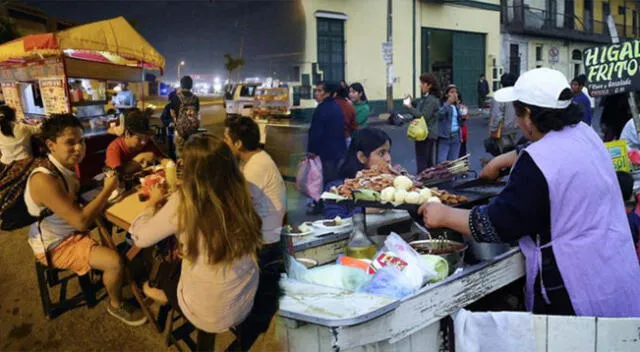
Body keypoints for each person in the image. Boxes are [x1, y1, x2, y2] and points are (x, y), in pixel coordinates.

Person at [419, 68, 640, 316]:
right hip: (613, 268)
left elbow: (497, 224)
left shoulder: (537, 164)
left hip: (573, 286)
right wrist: (503, 159)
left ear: (529, 115)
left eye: (518, 113)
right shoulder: (586, 134)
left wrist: (443, 214)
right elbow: (550, 146)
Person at [129, 133, 261, 338]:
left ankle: (161, 291)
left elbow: (140, 237)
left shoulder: (186, 200)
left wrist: (151, 205)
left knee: (156, 254)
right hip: (244, 299)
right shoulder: (245, 190)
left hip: (207, 312)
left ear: (192, 170)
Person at [25, 114, 147, 325]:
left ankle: (114, 271)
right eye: (70, 143)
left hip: (68, 230)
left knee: (116, 226)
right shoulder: (44, 179)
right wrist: (107, 188)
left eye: (81, 141)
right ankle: (116, 305)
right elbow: (81, 222)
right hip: (55, 244)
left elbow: (75, 193)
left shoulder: (62, 166)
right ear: (51, 145)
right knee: (115, 262)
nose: (79, 148)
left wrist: (100, 183)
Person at [223, 116, 285, 349]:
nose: (224, 141)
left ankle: (244, 338)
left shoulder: (255, 169)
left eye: (227, 138)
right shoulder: (257, 159)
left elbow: (236, 210)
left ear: (238, 144)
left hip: (266, 245)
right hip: (269, 235)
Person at [323, 127, 392, 219]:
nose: (388, 159)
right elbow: (334, 222)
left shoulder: (390, 183)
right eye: (381, 153)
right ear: (362, 157)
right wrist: (363, 210)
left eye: (388, 152)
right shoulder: (337, 188)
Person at [0, 105, 42, 223]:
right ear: (12, 116)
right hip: (25, 164)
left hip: (4, 164)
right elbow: (39, 129)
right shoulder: (22, 127)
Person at [105, 108, 169, 174]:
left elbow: (162, 158)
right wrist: (139, 158)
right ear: (127, 133)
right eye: (139, 138)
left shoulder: (147, 142)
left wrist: (169, 163)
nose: (143, 142)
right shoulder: (114, 148)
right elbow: (118, 174)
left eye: (146, 137)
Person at [307, 81, 346, 188]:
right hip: (337, 151)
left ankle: (323, 202)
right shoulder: (336, 106)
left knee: (322, 180)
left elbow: (316, 132)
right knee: (332, 179)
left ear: (328, 93)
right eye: (316, 90)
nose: (316, 93)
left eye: (320, 91)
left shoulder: (321, 109)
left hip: (325, 152)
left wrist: (312, 150)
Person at [404, 73, 441, 173]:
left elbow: (423, 116)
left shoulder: (432, 100)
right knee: (426, 161)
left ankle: (423, 181)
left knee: (423, 161)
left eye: (422, 83)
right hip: (425, 133)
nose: (420, 85)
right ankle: (428, 180)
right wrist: (411, 101)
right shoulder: (427, 98)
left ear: (429, 85)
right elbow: (420, 104)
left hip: (426, 134)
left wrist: (409, 107)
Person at [487, 73, 521, 156]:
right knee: (513, 153)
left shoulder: (500, 95)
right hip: (515, 128)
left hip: (503, 130)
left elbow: (496, 115)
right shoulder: (518, 95)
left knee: (503, 154)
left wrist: (493, 129)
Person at [170, 76, 201, 156]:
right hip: (193, 131)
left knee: (180, 153)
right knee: (191, 154)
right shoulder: (195, 98)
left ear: (181, 84)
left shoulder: (175, 97)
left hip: (180, 131)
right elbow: (197, 112)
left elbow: (173, 113)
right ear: (191, 85)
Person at [435, 85, 463, 163]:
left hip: (456, 136)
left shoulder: (456, 106)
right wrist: (448, 103)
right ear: (446, 95)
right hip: (445, 137)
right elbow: (440, 115)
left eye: (456, 92)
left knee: (453, 162)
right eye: (452, 92)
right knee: (442, 162)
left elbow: (460, 122)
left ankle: (453, 175)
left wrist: (461, 112)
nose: (454, 94)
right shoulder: (442, 105)